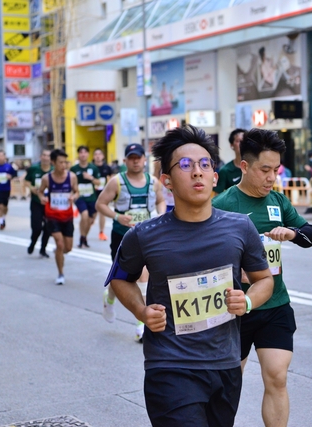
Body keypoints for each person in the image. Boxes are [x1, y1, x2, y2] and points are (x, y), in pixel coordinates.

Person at [104, 124, 274, 426]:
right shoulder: (144, 235)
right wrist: (142, 311)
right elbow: (119, 279)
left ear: (214, 177)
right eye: (185, 165)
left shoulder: (240, 227)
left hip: (225, 365)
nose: (197, 172)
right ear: (166, 180)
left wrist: (247, 302)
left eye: (204, 164)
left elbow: (264, 280)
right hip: (170, 365)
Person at [213, 128, 312, 427]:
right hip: (236, 310)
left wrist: (292, 233)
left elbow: (311, 236)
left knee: (277, 376)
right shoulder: (223, 205)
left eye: (276, 170)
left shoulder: (278, 201)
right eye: (264, 170)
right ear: (244, 166)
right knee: (228, 384)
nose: (271, 177)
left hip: (275, 305)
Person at [96, 143, 166, 342]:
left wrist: (160, 215)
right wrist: (117, 217)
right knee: (121, 279)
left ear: (144, 160)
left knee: (144, 276)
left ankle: (141, 324)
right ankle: (109, 298)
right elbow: (100, 204)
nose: (135, 161)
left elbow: (160, 200)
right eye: (132, 158)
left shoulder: (153, 182)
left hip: (146, 237)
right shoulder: (116, 182)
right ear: (125, 160)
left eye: (139, 158)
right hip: (122, 237)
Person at [38, 149, 79, 285]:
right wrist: (42, 198)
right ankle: (61, 273)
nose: (63, 165)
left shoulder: (72, 177)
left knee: (68, 248)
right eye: (60, 162)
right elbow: (40, 192)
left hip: (67, 216)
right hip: (52, 216)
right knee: (60, 243)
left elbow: (77, 191)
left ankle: (59, 252)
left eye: (65, 162)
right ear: (53, 162)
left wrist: (74, 196)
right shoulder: (46, 178)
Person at [70, 145, 100, 248]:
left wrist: (90, 178)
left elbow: (98, 182)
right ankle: (82, 237)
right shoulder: (74, 169)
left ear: (88, 154)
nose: (83, 154)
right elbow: (70, 182)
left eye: (85, 152)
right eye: (81, 152)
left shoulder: (93, 168)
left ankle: (84, 237)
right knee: (84, 215)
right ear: (78, 154)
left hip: (91, 197)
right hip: (80, 196)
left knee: (90, 220)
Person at [25, 149, 52, 257]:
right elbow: (26, 181)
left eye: (48, 156)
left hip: (49, 203)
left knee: (48, 227)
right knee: (37, 228)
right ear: (41, 157)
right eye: (44, 155)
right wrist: (32, 188)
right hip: (36, 202)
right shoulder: (34, 168)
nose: (46, 158)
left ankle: (43, 249)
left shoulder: (54, 171)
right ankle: (33, 243)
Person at [214, 128, 246, 194]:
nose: (242, 144)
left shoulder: (255, 168)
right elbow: (217, 196)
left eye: (244, 141)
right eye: (238, 141)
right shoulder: (225, 171)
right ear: (232, 145)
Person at [93, 148, 113, 241]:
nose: (98, 156)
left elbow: (112, 179)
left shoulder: (107, 167)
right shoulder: (91, 167)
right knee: (92, 216)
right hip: (92, 194)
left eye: (99, 154)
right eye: (96, 154)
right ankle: (88, 224)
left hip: (103, 193)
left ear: (103, 156)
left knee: (102, 213)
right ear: (93, 156)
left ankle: (101, 232)